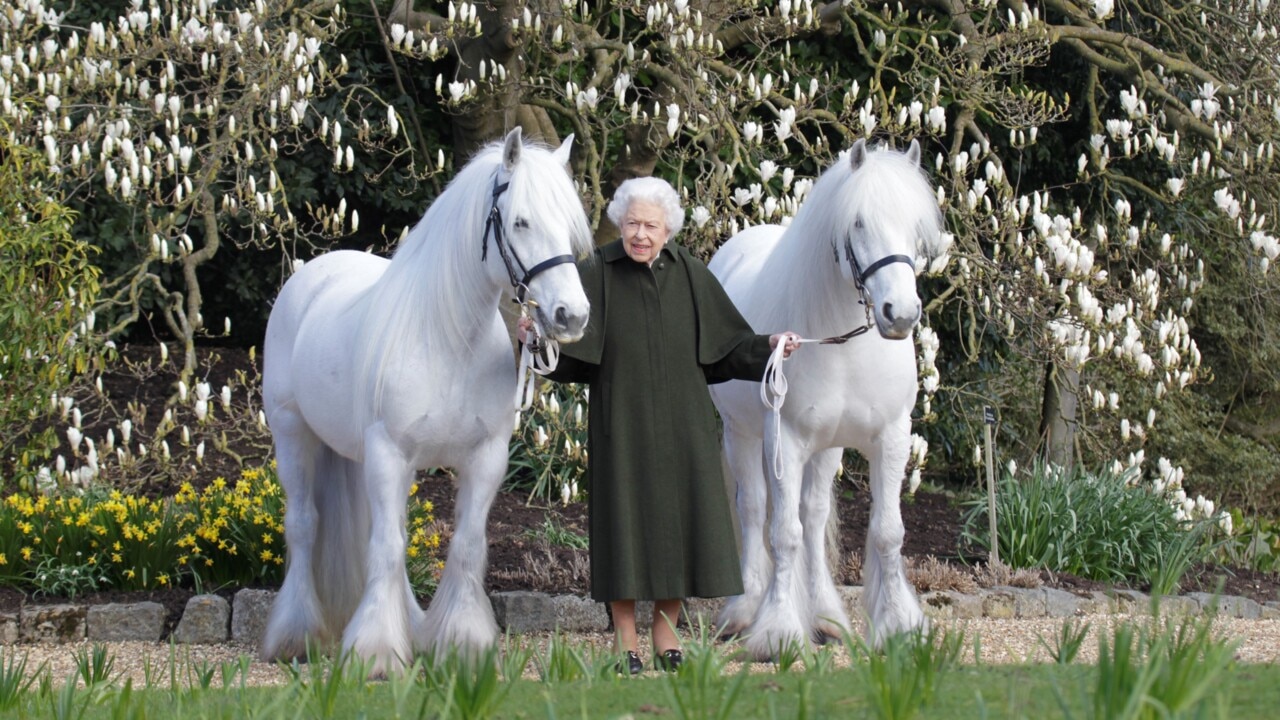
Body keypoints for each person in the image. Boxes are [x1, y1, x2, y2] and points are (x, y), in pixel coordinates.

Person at [519, 176, 799, 674]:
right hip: (619, 424)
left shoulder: (690, 274)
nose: (640, 234)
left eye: (650, 225)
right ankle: (625, 636)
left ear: (668, 228)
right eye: (631, 224)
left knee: (680, 528)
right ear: (619, 225)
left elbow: (728, 348)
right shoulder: (597, 273)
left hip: (684, 426)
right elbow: (570, 357)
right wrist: (534, 340)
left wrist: (772, 344)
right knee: (623, 528)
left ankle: (665, 630)